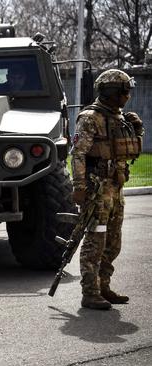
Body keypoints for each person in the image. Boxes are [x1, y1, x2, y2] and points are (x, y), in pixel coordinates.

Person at [71, 69, 144, 310]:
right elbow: (78, 154)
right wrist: (79, 186)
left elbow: (126, 150)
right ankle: (90, 292)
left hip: (116, 187)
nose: (127, 96)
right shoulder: (90, 117)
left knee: (113, 241)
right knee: (95, 240)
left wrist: (137, 131)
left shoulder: (120, 117)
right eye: (124, 91)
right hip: (97, 189)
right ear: (111, 92)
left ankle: (104, 286)